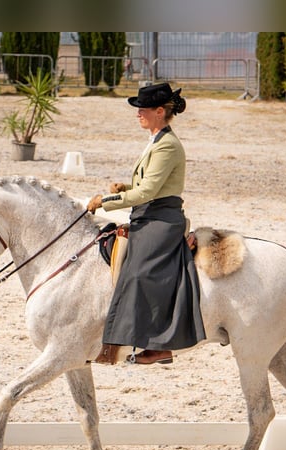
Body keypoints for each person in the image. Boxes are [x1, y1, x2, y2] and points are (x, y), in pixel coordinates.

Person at [87, 82, 206, 365]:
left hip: (161, 217)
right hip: (148, 211)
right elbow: (149, 185)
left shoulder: (168, 145)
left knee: (141, 272)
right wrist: (125, 186)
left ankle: (159, 347)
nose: (138, 113)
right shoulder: (155, 140)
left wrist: (106, 200)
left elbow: (148, 193)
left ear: (160, 111)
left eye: (143, 109)